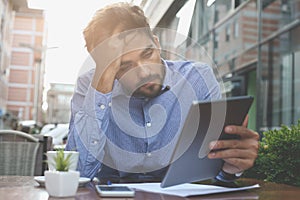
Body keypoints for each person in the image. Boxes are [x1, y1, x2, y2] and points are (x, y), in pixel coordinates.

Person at [66, 2, 259, 184]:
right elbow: (78, 173)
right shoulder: (90, 85)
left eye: (147, 53)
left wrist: (231, 169)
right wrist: (102, 85)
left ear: (157, 43)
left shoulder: (198, 78)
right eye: (124, 66)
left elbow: (212, 173)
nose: (144, 72)